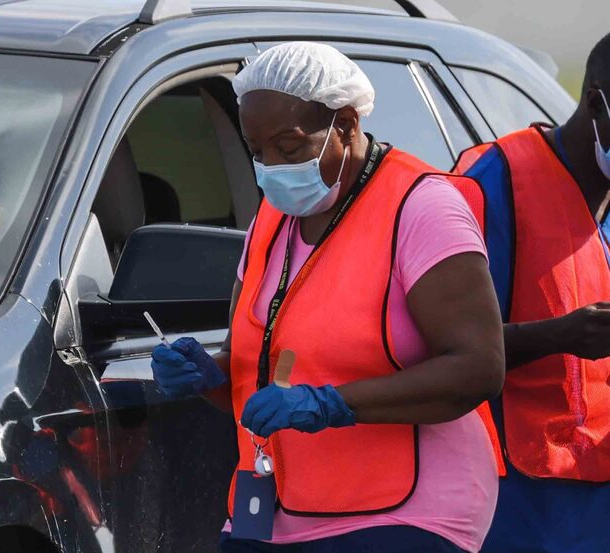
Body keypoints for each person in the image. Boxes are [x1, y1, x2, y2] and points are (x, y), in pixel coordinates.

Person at [151, 42, 505, 552]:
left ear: (345, 125)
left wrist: (333, 404)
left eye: (289, 147)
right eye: (257, 151)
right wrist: (211, 375)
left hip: (405, 512)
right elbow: (264, 363)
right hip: (276, 509)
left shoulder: (422, 207)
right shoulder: (272, 219)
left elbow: (478, 368)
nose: (271, 165)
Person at [454, 33, 610, 553]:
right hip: (518, 501)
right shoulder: (494, 181)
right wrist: (559, 335)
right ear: (595, 102)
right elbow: (442, 347)